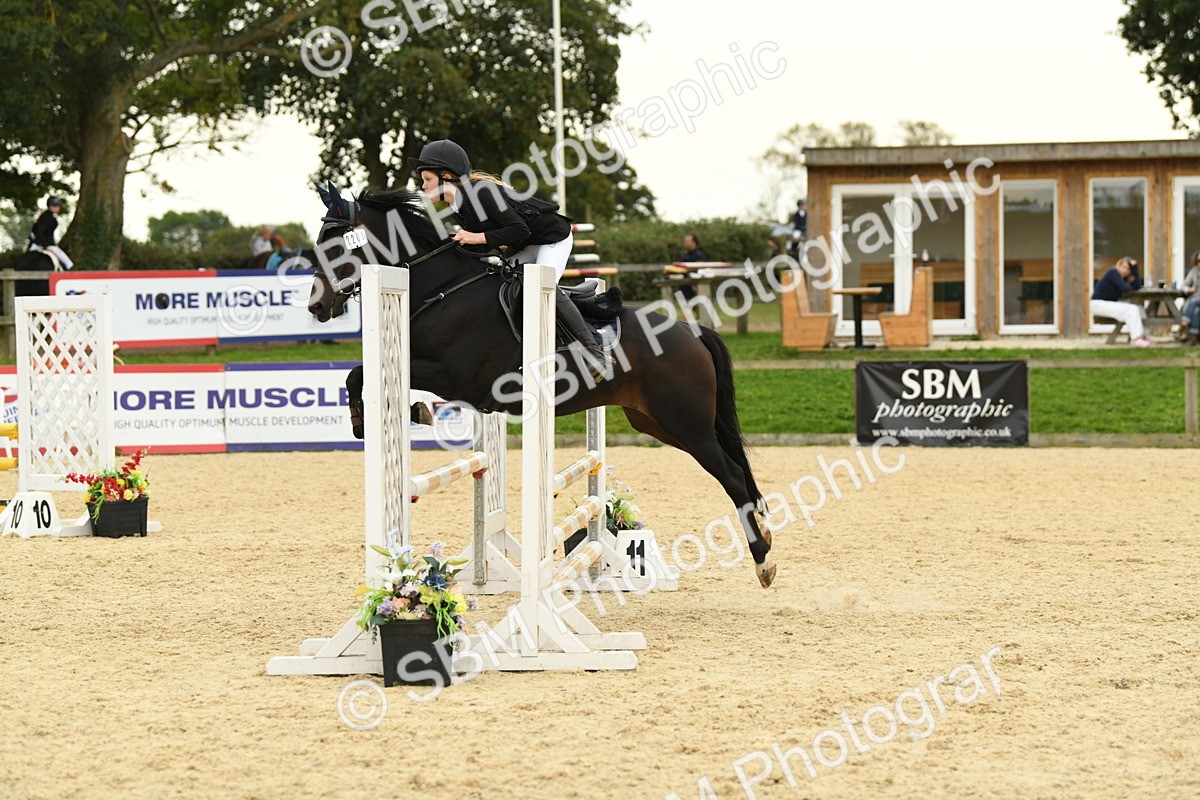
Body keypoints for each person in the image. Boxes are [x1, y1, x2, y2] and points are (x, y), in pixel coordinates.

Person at [408, 139, 609, 380]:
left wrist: (476, 237)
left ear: (447, 177)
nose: (423, 185)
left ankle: (593, 349)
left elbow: (519, 229)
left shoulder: (482, 193)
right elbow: (490, 242)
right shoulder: (458, 204)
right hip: (526, 244)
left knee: (541, 288)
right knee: (499, 282)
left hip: (552, 239)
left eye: (427, 179)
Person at [1090, 256, 1150, 346]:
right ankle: (1136, 339)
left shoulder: (1123, 279)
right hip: (1099, 304)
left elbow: (1137, 287)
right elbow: (1125, 289)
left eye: (1129, 269)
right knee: (1132, 309)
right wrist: (1130, 286)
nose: (1126, 270)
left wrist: (1135, 269)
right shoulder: (1113, 272)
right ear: (1119, 266)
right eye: (1124, 267)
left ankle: (1143, 337)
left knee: (1139, 308)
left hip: (1109, 304)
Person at [27, 196, 74, 270]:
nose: (57, 208)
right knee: (68, 263)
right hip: (48, 244)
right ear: (50, 207)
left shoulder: (42, 216)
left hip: (36, 244)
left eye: (58, 206)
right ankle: (70, 271)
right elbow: (40, 232)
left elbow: (35, 230)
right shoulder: (51, 219)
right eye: (55, 206)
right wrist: (46, 246)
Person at [675, 233, 708, 300]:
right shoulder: (685, 255)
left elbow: (699, 270)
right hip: (684, 286)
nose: (684, 243)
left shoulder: (699, 256)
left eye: (687, 241)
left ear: (693, 242)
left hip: (693, 286)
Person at [1179, 249, 1200, 341]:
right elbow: (1183, 285)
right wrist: (1188, 289)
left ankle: (1184, 323)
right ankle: (1193, 337)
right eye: (1198, 261)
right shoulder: (1194, 271)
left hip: (1195, 300)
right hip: (1196, 300)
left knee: (1193, 301)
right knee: (1196, 310)